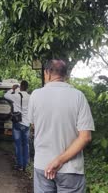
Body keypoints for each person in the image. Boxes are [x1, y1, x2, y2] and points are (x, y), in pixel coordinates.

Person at [28, 59, 95, 192]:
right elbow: (85, 137)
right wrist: (59, 160)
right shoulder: (78, 96)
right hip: (71, 169)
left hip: (43, 166)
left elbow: (34, 126)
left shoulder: (35, 95)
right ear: (66, 75)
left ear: (47, 73)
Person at [5, 80, 30, 171]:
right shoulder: (30, 97)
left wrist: (12, 89)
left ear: (21, 87)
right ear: (27, 87)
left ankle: (19, 165)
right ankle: (25, 165)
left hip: (17, 123)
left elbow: (6, 96)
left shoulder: (15, 96)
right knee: (26, 145)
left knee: (18, 145)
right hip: (27, 124)